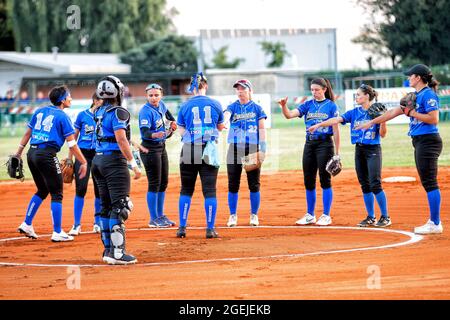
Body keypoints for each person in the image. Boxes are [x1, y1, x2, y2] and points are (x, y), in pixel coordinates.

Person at [356, 64, 443, 234]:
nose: (408, 78)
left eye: (410, 76)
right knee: (428, 182)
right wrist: (371, 122)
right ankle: (434, 221)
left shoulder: (428, 95)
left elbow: (434, 119)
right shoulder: (413, 96)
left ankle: (435, 222)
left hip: (428, 141)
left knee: (430, 182)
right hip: (419, 141)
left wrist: (411, 113)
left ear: (418, 77)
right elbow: (392, 113)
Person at [308, 84, 390, 227]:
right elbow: (337, 120)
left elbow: (382, 135)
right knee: (365, 184)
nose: (356, 97)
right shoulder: (354, 113)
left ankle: (385, 217)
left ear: (367, 96)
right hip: (359, 150)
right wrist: (319, 124)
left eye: (359, 94)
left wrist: (382, 120)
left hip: (373, 150)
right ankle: (371, 217)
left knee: (375, 183)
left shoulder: (375, 112)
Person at [16, 86, 88, 242]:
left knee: (42, 189)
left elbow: (28, 133)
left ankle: (27, 223)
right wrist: (83, 161)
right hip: (46, 155)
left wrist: (18, 153)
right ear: (62, 100)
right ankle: (57, 232)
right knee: (57, 193)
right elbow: (72, 145)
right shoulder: (63, 116)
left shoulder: (40, 111)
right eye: (69, 96)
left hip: (32, 153)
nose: (70, 99)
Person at [91, 75, 142, 265]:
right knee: (120, 207)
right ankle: (118, 253)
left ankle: (108, 250)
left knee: (106, 207)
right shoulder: (119, 111)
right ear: (118, 92)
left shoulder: (98, 111)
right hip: (113, 162)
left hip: (98, 161)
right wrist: (133, 163)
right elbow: (121, 139)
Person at [279, 78, 340, 226]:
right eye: (312, 90)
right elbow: (289, 115)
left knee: (325, 180)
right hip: (309, 144)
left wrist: (337, 154)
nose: (314, 92)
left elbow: (336, 131)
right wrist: (283, 106)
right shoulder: (308, 104)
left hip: (325, 145)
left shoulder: (331, 106)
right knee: (308, 180)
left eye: (317, 90)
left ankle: (326, 215)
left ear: (324, 89)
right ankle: (310, 215)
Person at [176, 72, 225, 238]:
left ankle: (182, 228)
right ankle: (210, 229)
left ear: (193, 88)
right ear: (206, 86)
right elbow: (219, 126)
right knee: (210, 191)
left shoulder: (185, 105)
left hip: (189, 147)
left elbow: (181, 130)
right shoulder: (215, 104)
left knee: (186, 190)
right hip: (208, 149)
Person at [223, 79, 267, 227]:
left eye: (243, 88)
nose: (240, 91)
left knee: (254, 184)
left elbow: (262, 128)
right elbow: (227, 114)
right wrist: (223, 120)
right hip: (235, 148)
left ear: (249, 91)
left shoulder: (257, 108)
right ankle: (232, 215)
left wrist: (263, 147)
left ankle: (254, 215)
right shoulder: (232, 107)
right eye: (238, 89)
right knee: (232, 183)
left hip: (252, 148)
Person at [139, 83, 177, 228]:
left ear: (161, 95)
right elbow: (145, 132)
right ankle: (153, 218)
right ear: (146, 96)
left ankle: (161, 215)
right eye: (151, 95)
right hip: (149, 149)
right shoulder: (145, 111)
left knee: (163, 183)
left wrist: (172, 124)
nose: (154, 98)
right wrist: (156, 134)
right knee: (154, 183)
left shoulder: (161, 105)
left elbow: (169, 117)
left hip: (161, 147)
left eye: (156, 95)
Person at [66, 93, 104, 236]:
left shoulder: (104, 116)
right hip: (83, 156)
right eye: (102, 100)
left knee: (99, 189)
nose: (104, 103)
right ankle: (76, 225)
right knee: (80, 189)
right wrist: (70, 158)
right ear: (95, 100)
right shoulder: (82, 115)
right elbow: (73, 138)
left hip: (99, 155)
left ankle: (97, 222)